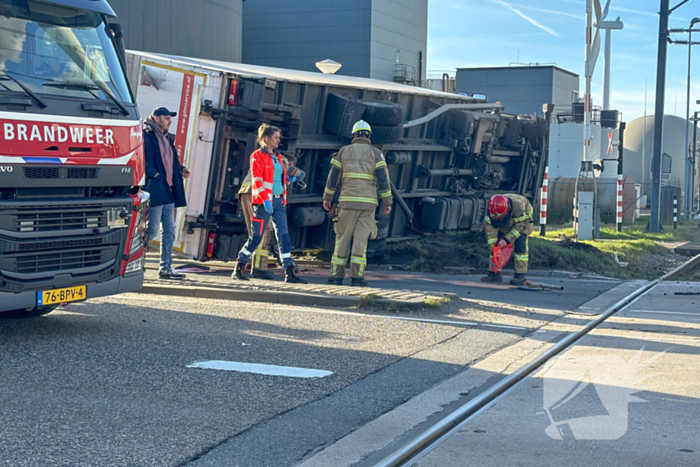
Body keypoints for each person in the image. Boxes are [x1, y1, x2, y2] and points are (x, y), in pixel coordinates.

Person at [231, 124, 307, 284]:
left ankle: (289, 272)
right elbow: (257, 180)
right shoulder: (257, 156)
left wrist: (289, 179)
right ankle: (240, 266)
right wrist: (265, 199)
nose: (279, 140)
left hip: (278, 201)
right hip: (264, 202)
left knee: (283, 236)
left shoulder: (278, 157)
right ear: (266, 138)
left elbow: (278, 178)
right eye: (276, 137)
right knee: (256, 237)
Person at [323, 120, 392, 286]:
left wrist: (327, 198)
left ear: (354, 134)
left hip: (346, 203)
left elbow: (333, 178)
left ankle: (336, 277)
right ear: (368, 135)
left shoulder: (343, 152)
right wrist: (387, 202)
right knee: (361, 241)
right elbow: (383, 179)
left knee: (342, 239)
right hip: (368, 205)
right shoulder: (376, 154)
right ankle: (357, 278)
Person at [144, 107, 191, 280]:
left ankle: (166, 268)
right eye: (166, 118)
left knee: (169, 230)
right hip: (156, 188)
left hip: (168, 189)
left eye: (170, 118)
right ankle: (133, 262)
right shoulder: (146, 135)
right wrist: (154, 175)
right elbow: (141, 158)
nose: (170, 121)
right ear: (156, 118)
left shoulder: (166, 137)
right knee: (152, 230)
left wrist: (181, 169)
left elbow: (169, 162)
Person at [481, 194, 534, 285]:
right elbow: (491, 233)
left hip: (523, 222)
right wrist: (494, 248)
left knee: (520, 245)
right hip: (506, 222)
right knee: (495, 247)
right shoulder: (491, 211)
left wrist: (506, 240)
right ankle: (494, 273)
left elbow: (519, 228)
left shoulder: (518, 207)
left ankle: (520, 275)